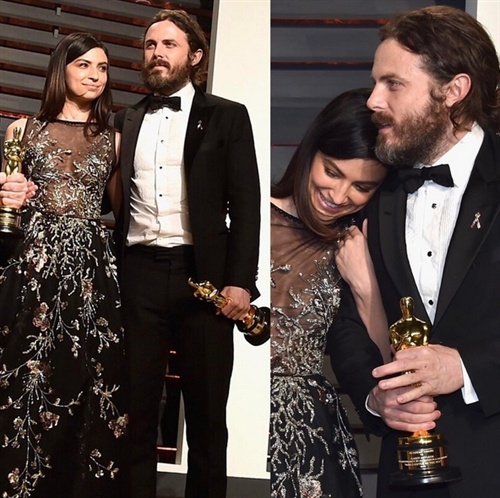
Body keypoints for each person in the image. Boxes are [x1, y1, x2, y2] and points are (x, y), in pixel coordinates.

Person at [327, 6, 500, 498]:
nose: (374, 100)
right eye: (373, 83)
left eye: (393, 84)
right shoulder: (371, 191)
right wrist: (377, 399)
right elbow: (345, 324)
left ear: (453, 90)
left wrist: (464, 370)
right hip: (403, 478)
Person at [112, 9, 261, 498]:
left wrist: (241, 282)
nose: (157, 52)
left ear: (194, 56)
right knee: (135, 409)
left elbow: (246, 204)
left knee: (206, 415)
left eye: (169, 44)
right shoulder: (124, 118)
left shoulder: (228, 115)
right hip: (138, 273)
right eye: (151, 44)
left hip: (207, 279)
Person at [0, 32, 128, 498]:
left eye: (103, 68)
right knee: (25, 368)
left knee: (88, 374)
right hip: (32, 262)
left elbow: (123, 213)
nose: (95, 75)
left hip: (92, 269)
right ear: (62, 70)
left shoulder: (114, 140)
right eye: (84, 66)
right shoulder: (21, 131)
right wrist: (14, 195)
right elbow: (9, 202)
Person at [270, 88, 389, 498]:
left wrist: (366, 285)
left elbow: (386, 360)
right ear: (310, 151)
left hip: (312, 439)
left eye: (363, 187)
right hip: (235, 412)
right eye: (333, 172)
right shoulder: (247, 216)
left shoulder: (356, 248)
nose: (340, 197)